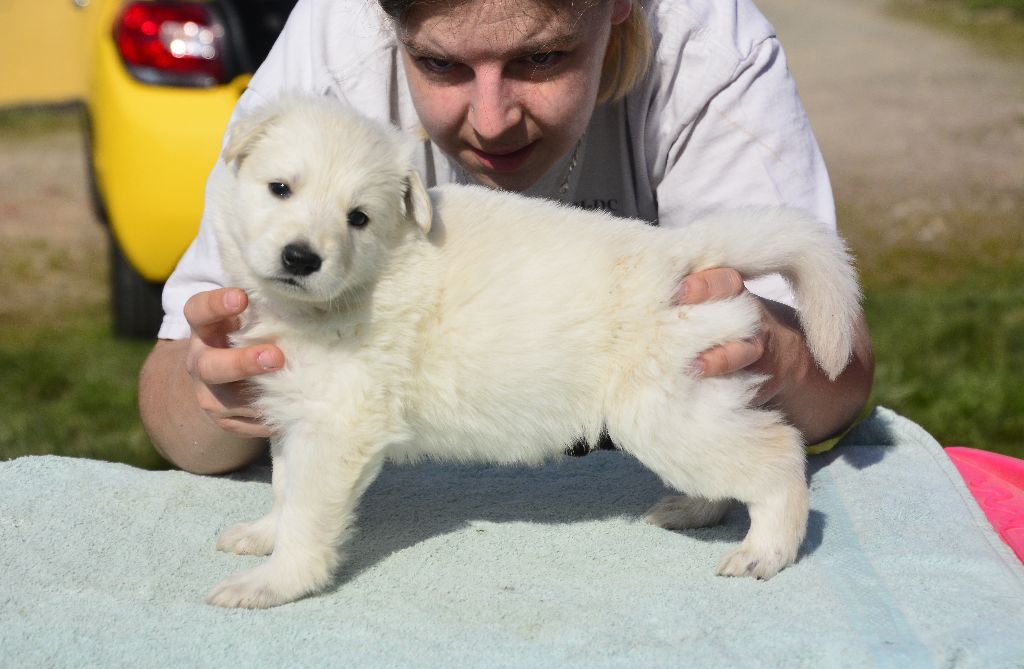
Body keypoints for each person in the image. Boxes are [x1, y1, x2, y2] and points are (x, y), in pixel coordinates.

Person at [139, 0, 875, 474]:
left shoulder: (709, 52)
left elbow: (839, 376)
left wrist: (770, 351)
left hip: (645, 431)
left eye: (542, 57)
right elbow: (173, 406)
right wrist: (221, 392)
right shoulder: (321, 76)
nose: (491, 121)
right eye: (440, 64)